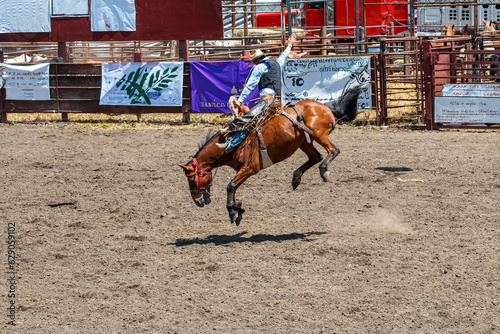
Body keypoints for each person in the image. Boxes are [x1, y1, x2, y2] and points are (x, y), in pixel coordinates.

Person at [216, 34, 297, 151]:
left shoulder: (259, 67)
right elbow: (284, 55)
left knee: (249, 119)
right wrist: (289, 45)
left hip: (266, 100)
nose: (254, 64)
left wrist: (240, 100)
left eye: (254, 62)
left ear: (258, 60)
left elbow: (250, 85)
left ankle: (231, 144)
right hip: (279, 102)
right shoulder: (277, 63)